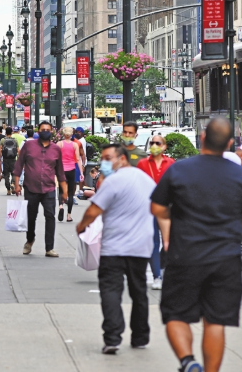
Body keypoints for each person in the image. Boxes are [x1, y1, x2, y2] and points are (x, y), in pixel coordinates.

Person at [150, 117, 242, 372]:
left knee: (176, 315)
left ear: (202, 139)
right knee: (215, 321)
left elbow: (156, 207)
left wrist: (178, 218)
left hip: (185, 255)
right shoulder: (241, 175)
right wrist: (235, 217)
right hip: (225, 259)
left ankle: (188, 362)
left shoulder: (179, 169)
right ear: (230, 143)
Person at [76, 144, 155, 354]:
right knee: (139, 292)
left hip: (114, 247)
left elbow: (93, 209)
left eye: (107, 158)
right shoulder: (147, 181)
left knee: (111, 291)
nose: (104, 162)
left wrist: (81, 226)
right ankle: (140, 337)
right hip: (140, 247)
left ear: (122, 159)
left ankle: (112, 337)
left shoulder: (114, 181)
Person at [13, 121, 68, 258]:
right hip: (31, 187)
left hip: (49, 188)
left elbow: (60, 172)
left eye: (47, 129)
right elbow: (19, 165)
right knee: (31, 217)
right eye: (42, 129)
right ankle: (30, 240)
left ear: (51, 132)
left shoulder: (56, 149)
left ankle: (49, 248)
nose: (45, 131)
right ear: (38, 131)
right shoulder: (29, 146)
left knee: (50, 217)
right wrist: (16, 184)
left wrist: (65, 191)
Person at [137, 135, 175, 291]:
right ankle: (157, 276)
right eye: (152, 143)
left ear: (164, 147)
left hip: (168, 208)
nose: (154, 145)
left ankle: (163, 267)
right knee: (153, 242)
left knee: (171, 241)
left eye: (157, 143)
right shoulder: (142, 163)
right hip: (149, 207)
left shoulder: (171, 164)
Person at [56, 127, 84, 222]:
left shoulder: (59, 144)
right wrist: (81, 172)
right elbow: (78, 159)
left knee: (61, 190)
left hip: (61, 170)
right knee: (71, 193)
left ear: (63, 134)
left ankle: (60, 206)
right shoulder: (75, 145)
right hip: (71, 169)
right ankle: (68, 215)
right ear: (71, 134)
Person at [0, 127, 19, 195]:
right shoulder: (15, 140)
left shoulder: (2, 140)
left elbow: (0, 150)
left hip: (5, 159)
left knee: (6, 175)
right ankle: (13, 183)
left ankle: (8, 190)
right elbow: (18, 150)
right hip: (13, 159)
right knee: (14, 173)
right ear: (11, 132)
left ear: (5, 132)